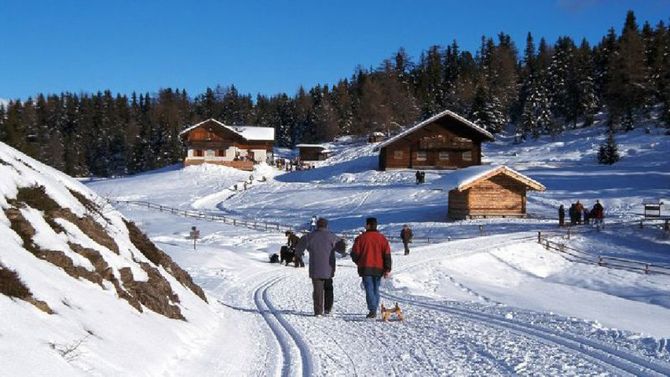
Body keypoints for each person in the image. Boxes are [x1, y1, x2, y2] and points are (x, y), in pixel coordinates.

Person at [294, 218, 347, 317]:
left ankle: (318, 311)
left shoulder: (309, 237)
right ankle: (327, 309)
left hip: (315, 268)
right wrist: (342, 244)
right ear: (326, 226)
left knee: (318, 290)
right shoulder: (332, 237)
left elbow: (299, 249)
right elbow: (342, 249)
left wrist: (299, 255)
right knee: (328, 288)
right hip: (329, 268)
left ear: (317, 226)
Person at [351, 217, 392, 319]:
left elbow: (354, 254)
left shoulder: (361, 238)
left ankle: (372, 310)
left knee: (369, 288)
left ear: (368, 225)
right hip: (379, 267)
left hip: (365, 267)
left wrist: (359, 262)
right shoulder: (382, 238)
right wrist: (387, 268)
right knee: (375, 289)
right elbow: (387, 254)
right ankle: (374, 308)